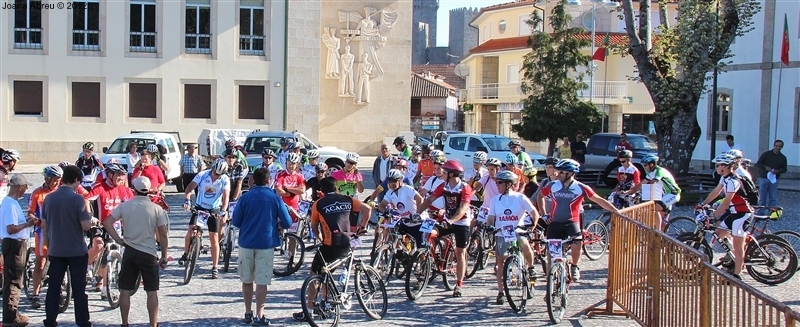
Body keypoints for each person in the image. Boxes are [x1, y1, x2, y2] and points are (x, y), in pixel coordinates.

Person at [293, 177, 370, 322]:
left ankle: (309, 310)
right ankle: (327, 303)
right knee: (327, 273)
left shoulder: (318, 204)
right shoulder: (347, 199)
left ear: (321, 191)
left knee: (314, 275)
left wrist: (321, 238)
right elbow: (367, 209)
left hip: (330, 245)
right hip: (346, 243)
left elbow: (314, 228)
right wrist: (362, 227)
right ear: (336, 188)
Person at [536, 159, 620, 282]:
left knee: (577, 242)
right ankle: (551, 283)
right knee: (551, 254)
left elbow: (599, 200)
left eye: (561, 172)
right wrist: (544, 214)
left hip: (571, 222)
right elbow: (540, 196)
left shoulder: (580, 187)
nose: (558, 174)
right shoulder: (552, 185)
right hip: (555, 223)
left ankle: (574, 265)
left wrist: (615, 211)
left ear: (570, 173)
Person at [102, 177, 169, 327]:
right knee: (152, 291)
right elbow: (163, 234)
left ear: (134, 189)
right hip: (149, 252)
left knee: (125, 289)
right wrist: (164, 255)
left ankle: (125, 323)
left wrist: (119, 240)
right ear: (149, 190)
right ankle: (153, 324)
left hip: (130, 251)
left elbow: (107, 222)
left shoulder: (125, 206)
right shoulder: (156, 208)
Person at [233, 168, 292, 325]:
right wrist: (277, 224)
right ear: (268, 180)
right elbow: (287, 222)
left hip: (246, 242)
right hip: (266, 243)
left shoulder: (245, 198)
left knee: (246, 280)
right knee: (262, 281)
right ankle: (260, 314)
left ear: (253, 180)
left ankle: (247, 312)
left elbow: (236, 221)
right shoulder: (275, 198)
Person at [41, 165, 93, 327]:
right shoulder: (77, 199)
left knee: (54, 287)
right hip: (76, 249)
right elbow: (85, 226)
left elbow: (44, 225)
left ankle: (50, 319)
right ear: (76, 180)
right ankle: (82, 321)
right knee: (79, 288)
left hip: (56, 249)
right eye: (79, 182)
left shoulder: (49, 198)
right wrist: (90, 217)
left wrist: (48, 246)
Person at [416, 159, 473, 297]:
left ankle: (459, 284)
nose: (442, 174)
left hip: (461, 223)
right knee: (428, 232)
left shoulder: (465, 188)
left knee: (460, 253)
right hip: (446, 220)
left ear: (452, 175)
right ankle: (431, 260)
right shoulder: (444, 186)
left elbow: (463, 207)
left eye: (445, 172)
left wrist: (452, 221)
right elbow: (429, 200)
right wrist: (416, 214)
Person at [485, 170, 540, 305]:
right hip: (501, 234)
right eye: (496, 182)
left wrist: (532, 225)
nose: (497, 185)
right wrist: (489, 226)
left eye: (500, 183)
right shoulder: (495, 200)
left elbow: (534, 213)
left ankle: (531, 268)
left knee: (525, 244)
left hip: (518, 231)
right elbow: (491, 218)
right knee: (500, 264)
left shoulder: (520, 198)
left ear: (509, 184)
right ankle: (500, 292)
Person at [84, 163, 134, 298]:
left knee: (110, 256)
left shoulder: (123, 189)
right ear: (110, 175)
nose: (121, 178)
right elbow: (86, 199)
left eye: (122, 176)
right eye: (118, 175)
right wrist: (90, 215)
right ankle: (86, 266)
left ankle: (106, 288)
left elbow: (134, 203)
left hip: (115, 226)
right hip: (99, 224)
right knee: (99, 245)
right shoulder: (100, 188)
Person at [180, 159, 231, 279]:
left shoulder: (224, 179)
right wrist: (187, 200)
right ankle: (186, 253)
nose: (215, 175)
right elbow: (189, 188)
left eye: (218, 174)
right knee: (191, 228)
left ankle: (215, 267)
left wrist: (223, 211)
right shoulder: (202, 175)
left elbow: (226, 197)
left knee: (214, 238)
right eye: (214, 172)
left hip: (214, 209)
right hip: (200, 207)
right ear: (212, 168)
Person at [708, 153, 754, 280]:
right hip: (734, 213)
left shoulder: (733, 181)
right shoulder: (726, 179)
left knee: (738, 246)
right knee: (718, 233)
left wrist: (712, 216)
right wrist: (704, 205)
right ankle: (731, 257)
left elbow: (726, 203)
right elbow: (716, 192)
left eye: (718, 165)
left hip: (742, 214)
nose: (716, 168)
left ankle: (736, 275)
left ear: (725, 167)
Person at [27, 165, 63, 309]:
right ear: (47, 179)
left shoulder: (61, 192)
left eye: (59, 180)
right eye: (55, 180)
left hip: (58, 231)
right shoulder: (37, 193)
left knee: (59, 263)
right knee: (40, 263)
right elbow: (29, 212)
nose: (57, 183)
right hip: (42, 231)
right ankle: (36, 294)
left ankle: (59, 291)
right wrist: (36, 220)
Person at [2, 174, 34, 326]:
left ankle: (12, 312)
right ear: (20, 187)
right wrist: (27, 225)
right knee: (14, 280)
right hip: (14, 244)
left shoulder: (11, 203)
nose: (25, 190)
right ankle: (10, 316)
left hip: (15, 243)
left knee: (14, 279)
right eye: (25, 188)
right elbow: (11, 229)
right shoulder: (10, 205)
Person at [628, 155, 681, 227]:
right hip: (664, 195)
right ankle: (659, 232)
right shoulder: (651, 173)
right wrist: (629, 192)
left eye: (645, 165)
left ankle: (657, 232)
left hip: (673, 194)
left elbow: (653, 183)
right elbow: (641, 185)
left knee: (654, 208)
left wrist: (646, 197)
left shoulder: (660, 171)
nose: (644, 167)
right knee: (656, 213)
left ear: (652, 164)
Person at [377, 169, 425, 246]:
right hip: (405, 222)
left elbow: (419, 199)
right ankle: (398, 253)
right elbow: (382, 205)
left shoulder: (407, 189)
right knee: (392, 234)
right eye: (389, 181)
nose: (391, 183)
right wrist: (386, 212)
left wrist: (417, 214)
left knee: (420, 251)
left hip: (417, 223)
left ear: (400, 181)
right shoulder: (390, 192)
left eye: (394, 181)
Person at [755, 140, 787, 208]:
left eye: (779, 146)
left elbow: (785, 169)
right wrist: (765, 167)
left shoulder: (783, 158)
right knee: (762, 198)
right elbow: (758, 164)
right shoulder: (766, 154)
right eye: (776, 146)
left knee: (773, 198)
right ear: (774, 146)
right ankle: (760, 213)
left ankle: (772, 213)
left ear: (781, 147)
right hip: (764, 178)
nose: (777, 148)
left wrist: (778, 171)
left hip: (774, 179)